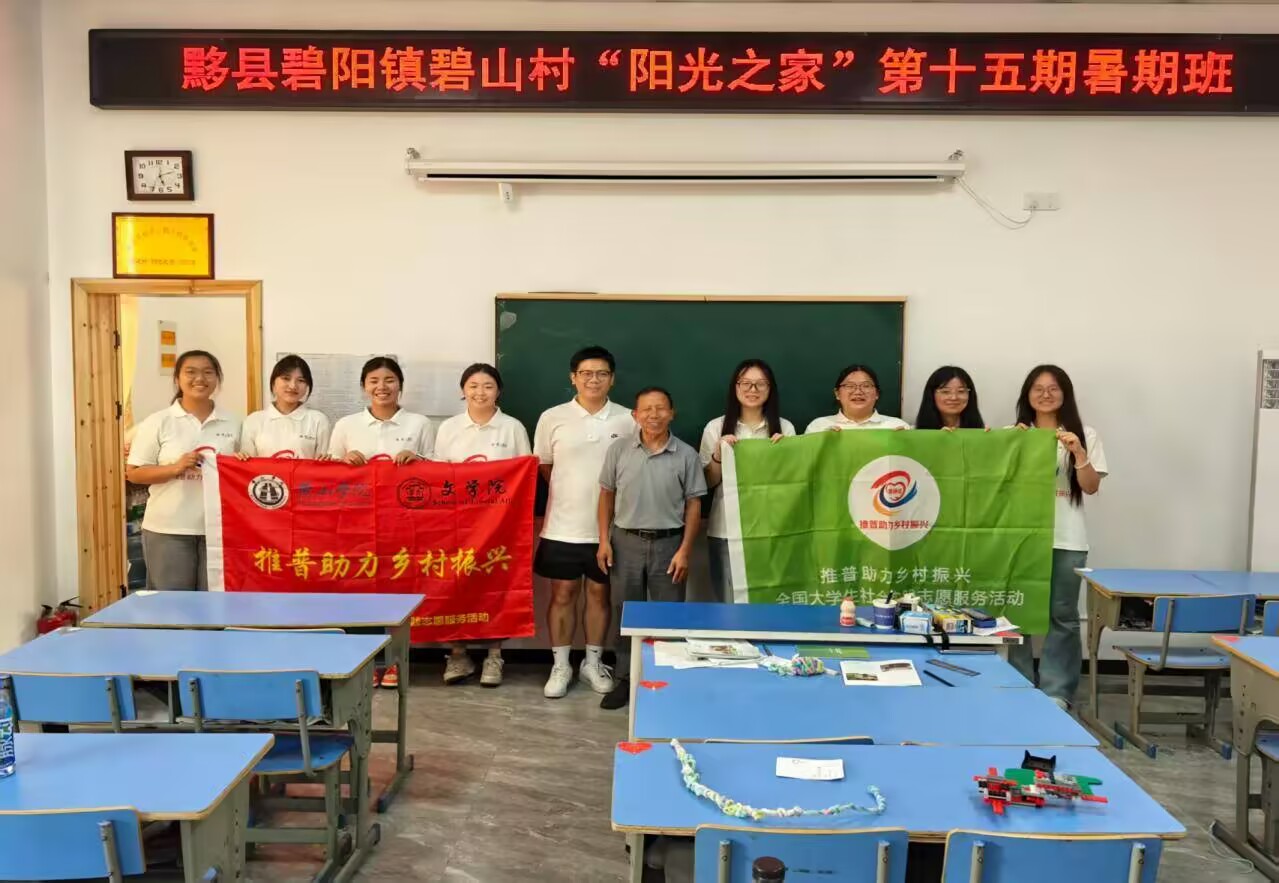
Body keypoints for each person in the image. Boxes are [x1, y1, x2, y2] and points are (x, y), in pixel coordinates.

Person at [533, 345, 636, 700]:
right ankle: (561, 665)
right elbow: (546, 466)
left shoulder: (628, 418)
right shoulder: (552, 417)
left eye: (602, 374)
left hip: (611, 528)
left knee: (599, 594)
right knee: (562, 594)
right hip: (563, 525)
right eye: (586, 373)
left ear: (612, 379)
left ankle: (593, 663)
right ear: (573, 377)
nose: (594, 380)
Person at [328, 355, 435, 689]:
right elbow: (328, 473)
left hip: (406, 521)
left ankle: (397, 661)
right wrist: (344, 462)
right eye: (374, 381)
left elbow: (438, 471)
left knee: (401, 589)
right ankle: (370, 661)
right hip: (357, 522)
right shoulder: (347, 425)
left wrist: (418, 459)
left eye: (389, 380)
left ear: (400, 385)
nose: (382, 387)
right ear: (364, 386)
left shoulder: (419, 424)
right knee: (362, 588)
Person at [597, 387, 706, 710]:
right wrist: (604, 540)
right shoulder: (619, 450)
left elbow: (694, 505)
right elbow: (606, 495)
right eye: (646, 409)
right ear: (635, 415)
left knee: (668, 615)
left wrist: (685, 550)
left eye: (660, 408)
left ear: (672, 413)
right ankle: (625, 678)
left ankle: (664, 678)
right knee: (625, 612)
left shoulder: (686, 455)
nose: (653, 415)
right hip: (625, 541)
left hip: (669, 543)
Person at [1009, 365, 1108, 709]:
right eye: (1038, 388)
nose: (1046, 394)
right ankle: (1016, 684)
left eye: (1053, 388)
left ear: (1065, 394)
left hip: (1067, 538)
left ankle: (1057, 691)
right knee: (1016, 613)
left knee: (1062, 616)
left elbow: (1091, 487)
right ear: (1027, 395)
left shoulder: (1085, 434)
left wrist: (1078, 453)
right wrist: (1009, 446)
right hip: (1021, 539)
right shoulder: (1014, 434)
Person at [432, 363, 531, 688]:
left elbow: (524, 475)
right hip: (456, 523)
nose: (480, 392)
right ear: (463, 391)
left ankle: (494, 655)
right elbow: (439, 476)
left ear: (498, 391)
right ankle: (458, 655)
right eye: (473, 386)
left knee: (496, 585)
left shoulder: (512, 427)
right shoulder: (449, 428)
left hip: (500, 523)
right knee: (456, 583)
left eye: (488, 386)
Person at [125, 350, 240, 590]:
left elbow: (246, 472)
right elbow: (134, 473)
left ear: (217, 379)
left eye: (208, 372)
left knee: (216, 603)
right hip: (168, 529)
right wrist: (175, 468)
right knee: (171, 604)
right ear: (177, 379)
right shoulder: (158, 421)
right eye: (191, 372)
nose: (200, 379)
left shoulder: (234, 423)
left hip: (220, 530)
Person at [699, 359, 795, 602]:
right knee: (729, 603)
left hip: (772, 529)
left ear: (770, 389)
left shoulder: (784, 428)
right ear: (736, 387)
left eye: (760, 384)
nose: (753, 390)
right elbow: (706, 483)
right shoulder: (716, 427)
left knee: (769, 601)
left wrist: (785, 455)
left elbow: (793, 484)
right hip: (726, 529)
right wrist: (718, 456)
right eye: (746, 383)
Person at [237, 354, 331, 458]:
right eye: (286, 378)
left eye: (301, 380)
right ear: (273, 383)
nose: (293, 386)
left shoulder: (319, 420)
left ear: (307, 386)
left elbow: (322, 465)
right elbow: (248, 465)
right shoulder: (253, 420)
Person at [805, 364, 910, 433]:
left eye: (866, 386)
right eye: (850, 386)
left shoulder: (896, 426)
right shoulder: (819, 427)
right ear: (837, 394)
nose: (858, 392)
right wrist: (821, 440)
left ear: (877, 393)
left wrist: (903, 442)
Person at [913, 366, 985, 430]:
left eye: (961, 391)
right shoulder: (914, 434)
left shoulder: (981, 432)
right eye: (945, 392)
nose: (954, 397)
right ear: (931, 395)